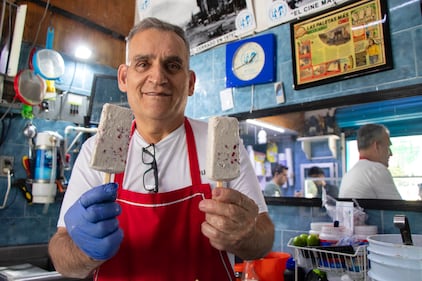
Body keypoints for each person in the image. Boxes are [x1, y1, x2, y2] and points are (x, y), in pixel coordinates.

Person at [48, 17, 274, 280]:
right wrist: (83, 251)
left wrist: (245, 235)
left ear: (190, 82)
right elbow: (61, 252)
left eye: (173, 65)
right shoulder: (93, 150)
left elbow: (263, 237)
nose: (158, 77)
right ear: (124, 77)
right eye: (143, 64)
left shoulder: (221, 144)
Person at [339, 124, 402, 199]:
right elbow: (399, 209)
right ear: (377, 146)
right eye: (388, 147)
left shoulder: (347, 175)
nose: (391, 154)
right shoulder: (377, 170)